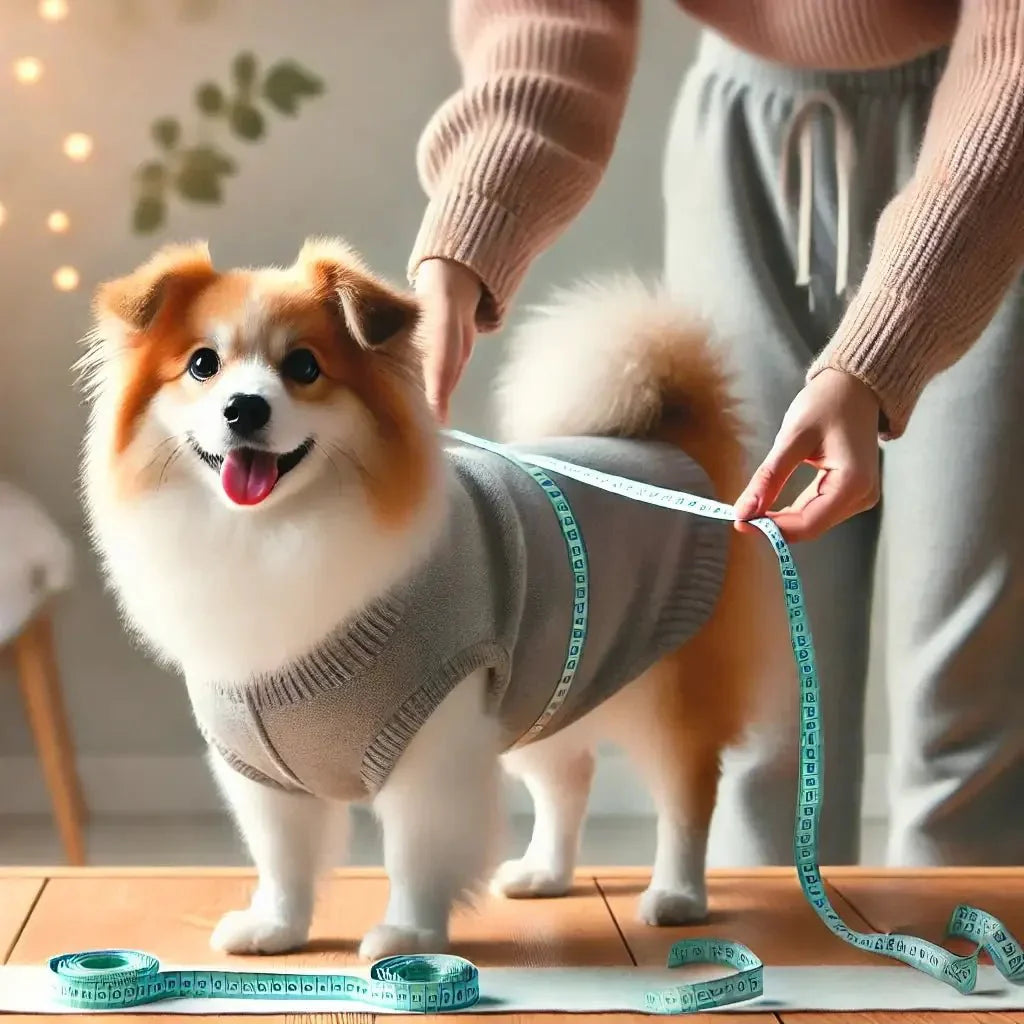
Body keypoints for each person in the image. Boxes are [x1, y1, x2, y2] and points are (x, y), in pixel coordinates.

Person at [407, 0, 1024, 867]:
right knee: (754, 702)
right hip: (744, 149)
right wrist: (475, 221)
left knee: (973, 698)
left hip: (1002, 156)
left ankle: (980, 990)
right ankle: (764, 986)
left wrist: (885, 347)